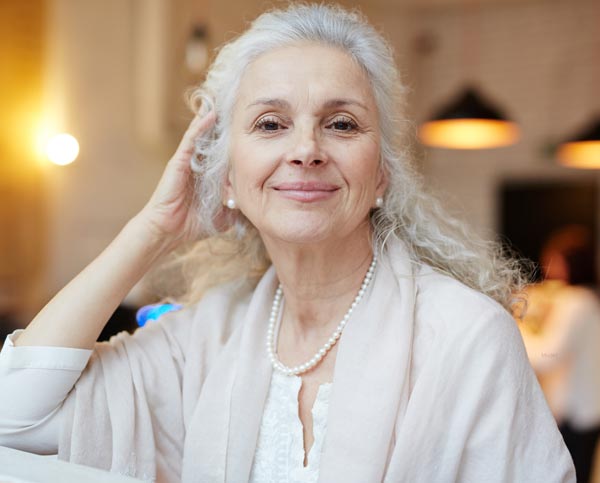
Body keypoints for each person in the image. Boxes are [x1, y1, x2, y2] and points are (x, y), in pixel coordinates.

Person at [0, 4, 575, 482]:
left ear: (382, 177)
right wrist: (154, 227)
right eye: (271, 124)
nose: (306, 149)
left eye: (342, 123)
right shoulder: (208, 335)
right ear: (227, 178)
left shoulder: (465, 337)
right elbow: (15, 416)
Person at [518, 225, 600, 483]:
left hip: (577, 410)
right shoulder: (585, 298)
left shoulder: (575, 302)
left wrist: (514, 329)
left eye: (554, 262)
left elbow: (548, 356)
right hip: (585, 406)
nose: (548, 270)